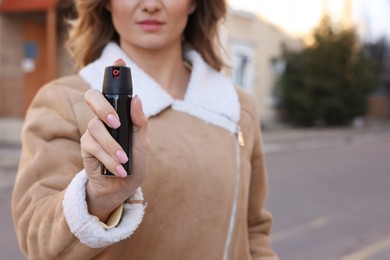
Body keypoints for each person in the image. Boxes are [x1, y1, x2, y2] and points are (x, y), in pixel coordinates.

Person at [12, 0, 278, 259]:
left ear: (194, 3)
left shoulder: (235, 106)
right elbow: (37, 242)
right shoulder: (66, 100)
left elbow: (253, 231)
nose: (151, 4)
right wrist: (98, 198)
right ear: (106, 3)